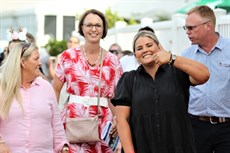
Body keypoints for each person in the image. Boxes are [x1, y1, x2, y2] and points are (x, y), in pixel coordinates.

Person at [111, 31, 210, 153]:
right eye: (139, 48)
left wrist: (171, 58)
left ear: (159, 47)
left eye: (149, 45)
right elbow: (122, 121)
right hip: (143, 147)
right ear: (136, 55)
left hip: (179, 146)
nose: (145, 50)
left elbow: (204, 75)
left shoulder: (176, 72)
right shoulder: (129, 80)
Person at [52, 9, 123, 153]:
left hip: (104, 125)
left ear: (103, 30)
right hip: (73, 122)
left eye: (98, 25)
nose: (94, 29)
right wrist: (55, 121)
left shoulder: (113, 61)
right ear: (82, 28)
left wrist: (118, 121)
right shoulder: (68, 56)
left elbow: (117, 98)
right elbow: (55, 89)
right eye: (89, 25)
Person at [0, 29, 69, 153]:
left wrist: (63, 146)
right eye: (36, 59)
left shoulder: (46, 88)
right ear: (22, 63)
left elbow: (56, 124)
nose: (40, 63)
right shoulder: (2, 87)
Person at [181, 5, 230, 153]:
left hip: (227, 128)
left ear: (208, 26)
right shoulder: (186, 55)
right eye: (185, 28)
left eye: (191, 28)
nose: (187, 32)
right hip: (196, 127)